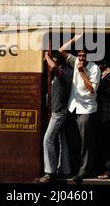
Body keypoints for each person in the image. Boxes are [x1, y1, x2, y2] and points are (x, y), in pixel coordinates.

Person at [59, 34, 101, 183]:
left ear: (89, 56)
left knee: (86, 143)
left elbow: (92, 89)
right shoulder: (75, 61)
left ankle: (85, 171)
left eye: (84, 56)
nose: (81, 58)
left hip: (87, 110)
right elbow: (61, 50)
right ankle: (76, 168)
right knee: (75, 141)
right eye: (80, 55)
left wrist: (82, 72)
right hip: (74, 107)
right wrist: (75, 39)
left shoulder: (95, 68)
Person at [38, 52, 73, 183]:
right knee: (62, 141)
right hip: (59, 112)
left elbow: (53, 68)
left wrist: (46, 57)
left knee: (47, 140)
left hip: (59, 113)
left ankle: (50, 172)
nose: (48, 65)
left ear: (58, 63)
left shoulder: (63, 75)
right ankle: (65, 170)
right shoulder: (60, 75)